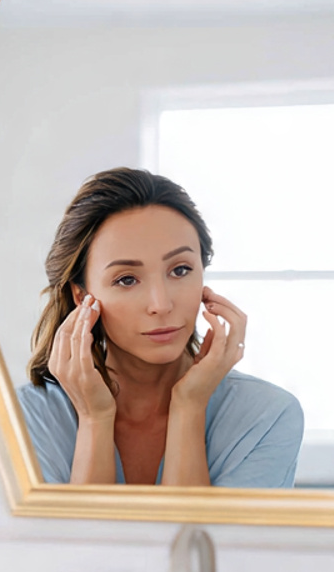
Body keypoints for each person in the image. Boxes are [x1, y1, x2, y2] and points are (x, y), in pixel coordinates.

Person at [18, 167, 302, 486]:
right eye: (126, 279)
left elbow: (194, 536)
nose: (161, 304)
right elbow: (82, 537)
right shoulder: (21, 419)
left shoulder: (267, 415)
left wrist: (189, 407)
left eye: (180, 270)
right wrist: (94, 420)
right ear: (82, 296)